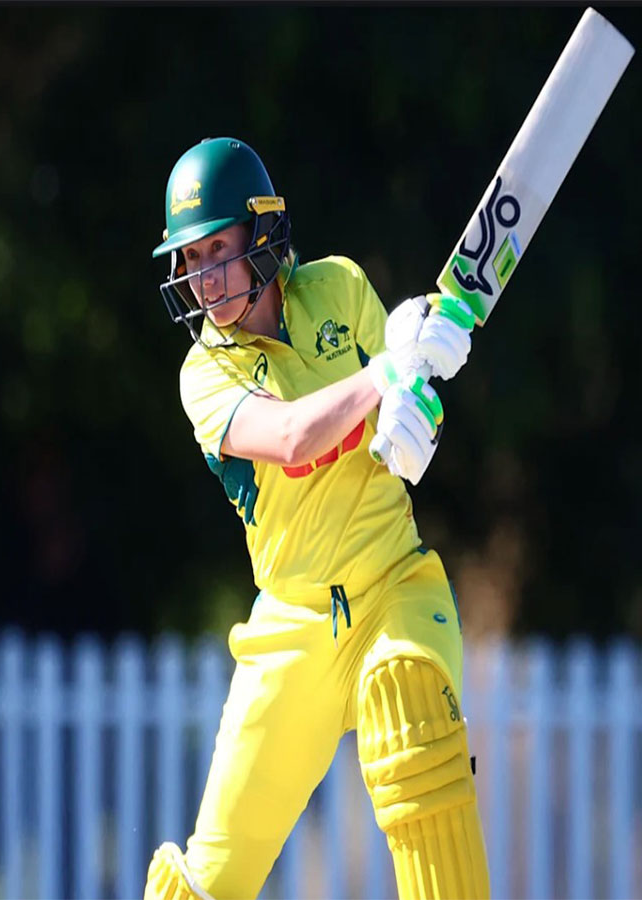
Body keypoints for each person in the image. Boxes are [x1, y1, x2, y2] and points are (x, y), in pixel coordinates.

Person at [143, 137, 489, 900]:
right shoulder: (205, 373)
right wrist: (386, 373)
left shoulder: (340, 287)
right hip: (292, 624)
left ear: (263, 231)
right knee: (208, 882)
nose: (204, 277)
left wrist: (419, 410)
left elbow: (405, 416)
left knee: (409, 702)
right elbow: (295, 436)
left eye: (218, 249)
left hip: (395, 584)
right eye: (190, 259)